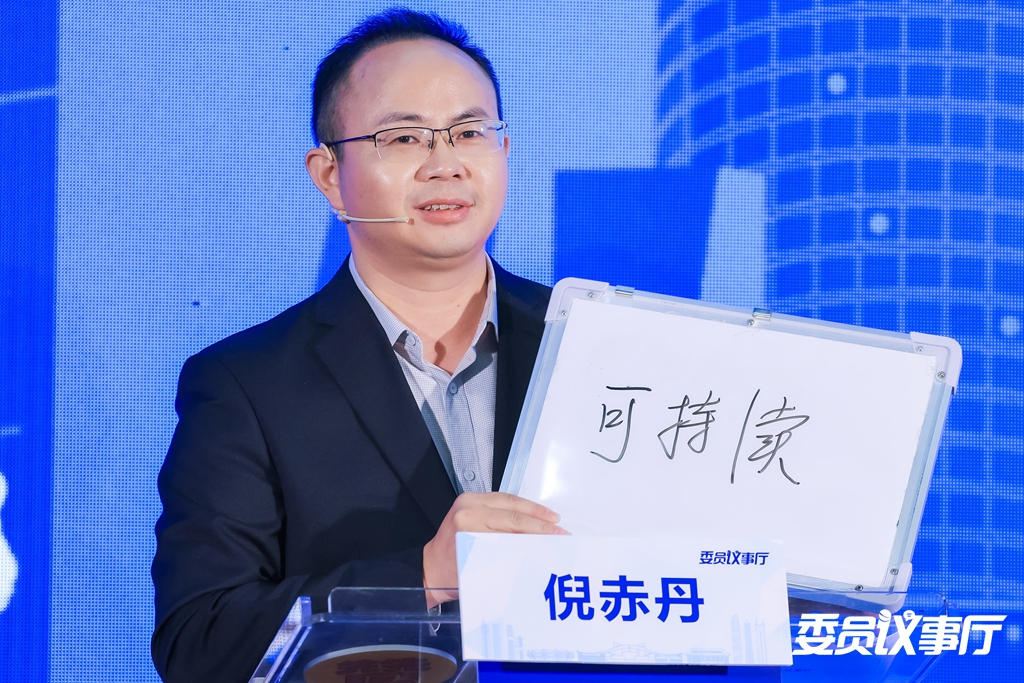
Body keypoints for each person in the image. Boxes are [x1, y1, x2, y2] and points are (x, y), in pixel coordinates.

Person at [150, 9, 566, 682]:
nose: (446, 164)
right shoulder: (246, 385)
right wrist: (425, 574)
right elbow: (201, 642)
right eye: (403, 138)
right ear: (328, 174)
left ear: (504, 150)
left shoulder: (592, 342)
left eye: (470, 132)